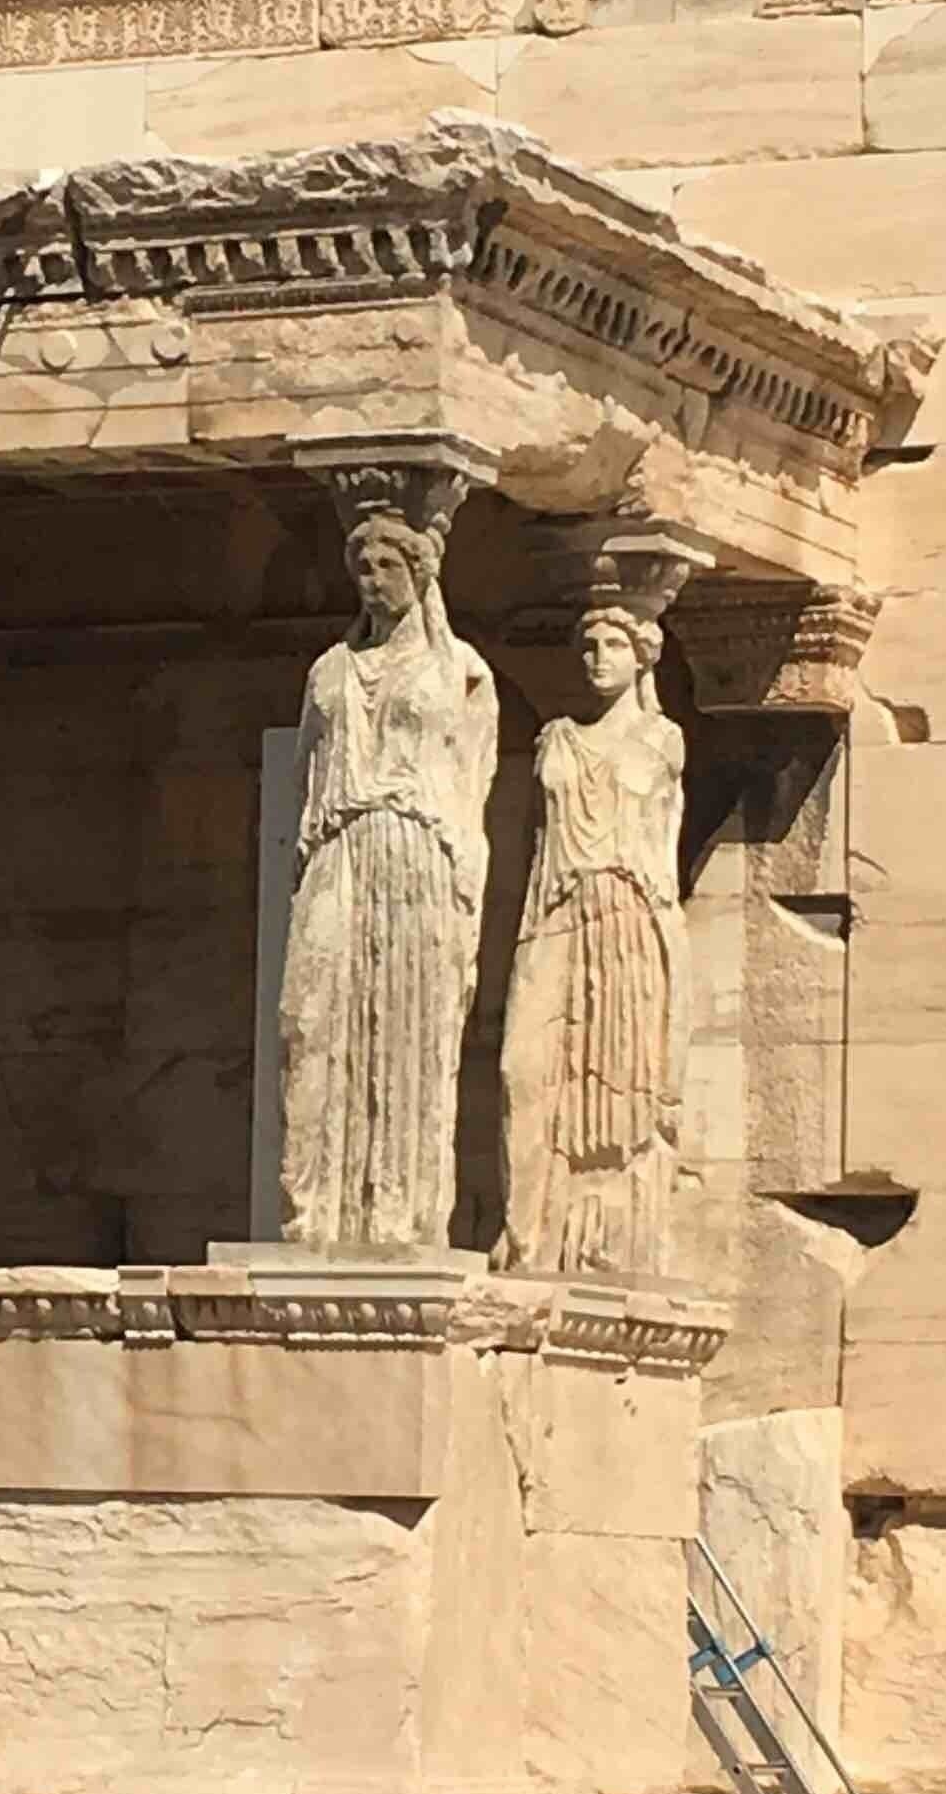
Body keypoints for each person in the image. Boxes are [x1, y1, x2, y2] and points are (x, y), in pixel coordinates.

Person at [276, 507, 498, 1252]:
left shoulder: (459, 671)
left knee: (410, 1029)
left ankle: (398, 1214)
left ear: (419, 574)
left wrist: (463, 887)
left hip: (417, 853)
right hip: (340, 847)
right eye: (362, 570)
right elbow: (310, 770)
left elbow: (474, 781)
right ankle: (314, 1210)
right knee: (308, 1019)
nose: (373, 583)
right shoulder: (329, 671)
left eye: (387, 568)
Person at [496, 601, 689, 1279]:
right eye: (589, 645)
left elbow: (661, 851)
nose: (597, 656)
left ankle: (606, 1246)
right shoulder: (555, 738)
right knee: (525, 1070)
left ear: (642, 657)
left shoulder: (662, 741)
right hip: (554, 913)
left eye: (613, 644)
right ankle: (528, 1233)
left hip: (629, 917)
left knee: (622, 1089)